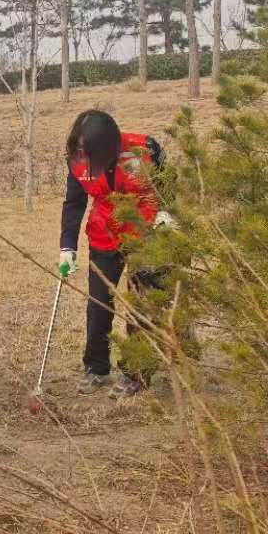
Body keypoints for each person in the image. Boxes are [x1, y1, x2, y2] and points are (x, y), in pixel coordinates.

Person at [58, 109, 172, 397]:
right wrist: (67, 245)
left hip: (146, 231)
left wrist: (167, 212)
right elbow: (74, 203)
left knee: (142, 305)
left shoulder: (144, 150)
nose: (83, 155)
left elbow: (168, 184)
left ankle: (137, 372)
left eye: (90, 151)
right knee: (98, 304)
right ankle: (96, 368)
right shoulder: (76, 159)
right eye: (80, 148)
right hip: (104, 232)